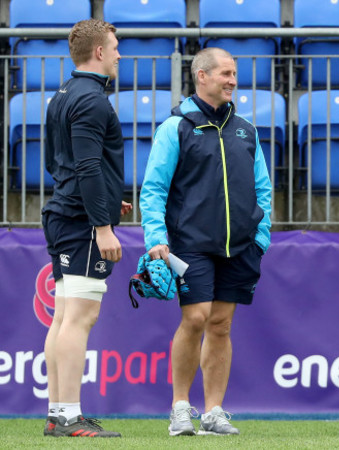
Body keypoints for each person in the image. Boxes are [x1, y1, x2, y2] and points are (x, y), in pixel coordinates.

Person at [140, 47, 272, 437]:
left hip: (241, 246)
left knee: (221, 325)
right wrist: (156, 237)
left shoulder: (246, 129)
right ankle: (181, 408)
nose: (233, 81)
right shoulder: (176, 126)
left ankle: (213, 412)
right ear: (202, 76)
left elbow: (262, 188)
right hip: (190, 244)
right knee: (195, 318)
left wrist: (260, 237)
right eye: (226, 73)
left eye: (234, 74)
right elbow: (154, 189)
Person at [42, 19, 131, 438]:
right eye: (114, 47)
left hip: (65, 212)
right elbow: (87, 165)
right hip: (81, 222)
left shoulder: (61, 94)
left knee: (63, 316)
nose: (118, 54)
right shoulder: (93, 101)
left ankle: (59, 413)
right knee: (80, 317)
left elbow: (55, 163)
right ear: (98, 52)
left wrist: (110, 200)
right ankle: (69, 417)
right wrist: (102, 223)